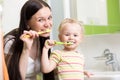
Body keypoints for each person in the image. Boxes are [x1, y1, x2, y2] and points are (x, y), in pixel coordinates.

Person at [4, 0, 55, 80]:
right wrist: (26, 49)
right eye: (40, 20)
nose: (47, 24)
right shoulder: (10, 42)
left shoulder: (43, 41)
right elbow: (14, 77)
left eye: (49, 18)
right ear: (27, 23)